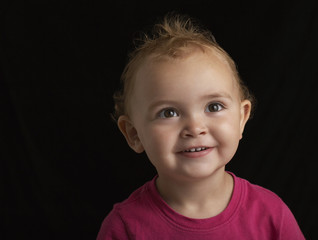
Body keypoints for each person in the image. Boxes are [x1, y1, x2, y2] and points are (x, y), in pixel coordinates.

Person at [97, 12, 305, 240]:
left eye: (214, 107)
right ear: (134, 134)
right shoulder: (125, 227)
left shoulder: (271, 215)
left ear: (241, 118)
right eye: (169, 113)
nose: (195, 128)